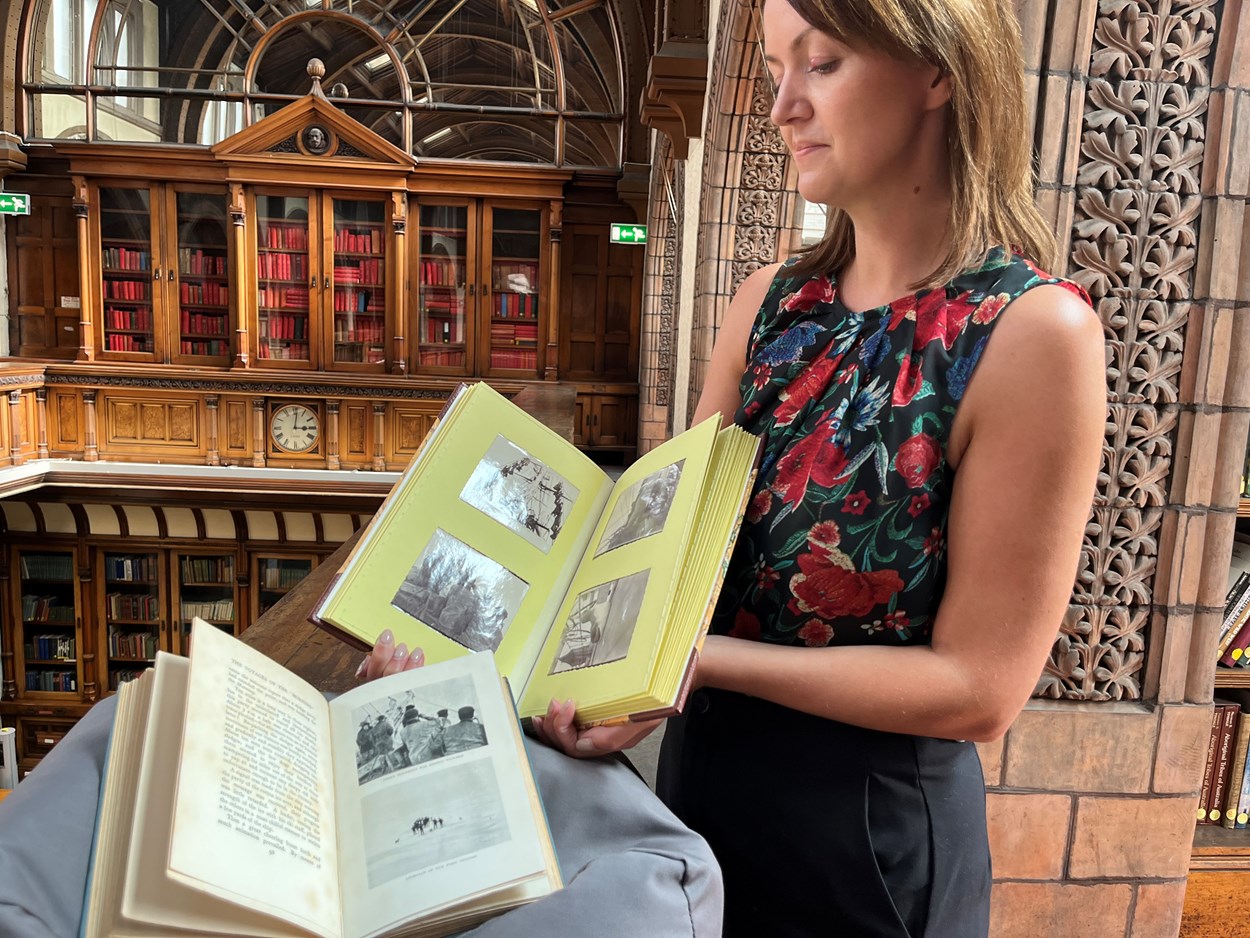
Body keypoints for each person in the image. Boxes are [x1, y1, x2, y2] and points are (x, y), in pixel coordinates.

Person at [358, 0, 1105, 934]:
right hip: (700, 800)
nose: (784, 104)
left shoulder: (1034, 334)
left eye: (821, 62)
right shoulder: (773, 302)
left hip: (865, 849)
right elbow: (669, 556)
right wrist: (521, 653)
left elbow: (980, 690)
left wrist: (696, 664)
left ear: (938, 70)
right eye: (774, 71)